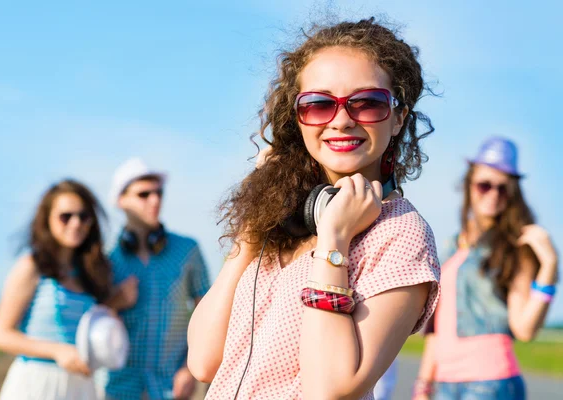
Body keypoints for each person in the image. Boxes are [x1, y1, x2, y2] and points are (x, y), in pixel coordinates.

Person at [187, 18, 441, 400]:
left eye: (367, 103)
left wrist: (334, 240)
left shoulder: (401, 234)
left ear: (398, 117)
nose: (341, 120)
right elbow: (204, 361)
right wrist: (252, 228)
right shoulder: (285, 218)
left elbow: (331, 389)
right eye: (319, 104)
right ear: (298, 118)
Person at [412, 137, 559, 400]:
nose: (493, 195)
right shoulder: (451, 246)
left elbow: (525, 329)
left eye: (503, 189)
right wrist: (424, 384)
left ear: (512, 194)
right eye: (484, 185)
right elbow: (437, 324)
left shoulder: (512, 247)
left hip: (490, 383)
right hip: (445, 384)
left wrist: (549, 267)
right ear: (469, 186)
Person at [100, 158, 211, 400]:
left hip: (171, 388)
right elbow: (88, 322)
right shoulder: (104, 258)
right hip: (117, 388)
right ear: (121, 201)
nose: (155, 200)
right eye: (143, 194)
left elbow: (208, 315)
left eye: (158, 192)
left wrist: (189, 369)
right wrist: (113, 303)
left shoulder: (188, 250)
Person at [0, 180, 112, 400]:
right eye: (66, 216)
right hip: (37, 383)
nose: (76, 223)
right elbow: (1, 335)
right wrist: (57, 350)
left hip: (81, 387)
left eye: (83, 216)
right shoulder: (31, 266)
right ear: (47, 220)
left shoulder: (92, 273)